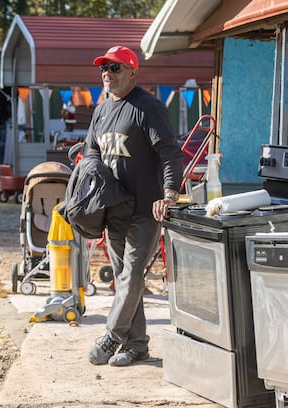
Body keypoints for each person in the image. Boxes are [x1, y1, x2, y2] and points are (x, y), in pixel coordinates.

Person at [84, 46, 183, 367]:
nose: (107, 74)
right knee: (125, 276)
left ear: (132, 72)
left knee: (132, 275)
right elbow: (91, 154)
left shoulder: (147, 107)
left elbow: (169, 151)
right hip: (114, 209)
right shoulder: (100, 111)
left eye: (115, 68)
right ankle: (137, 345)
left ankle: (112, 336)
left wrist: (169, 193)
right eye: (104, 68)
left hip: (146, 208)